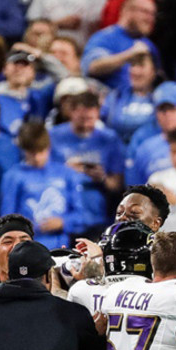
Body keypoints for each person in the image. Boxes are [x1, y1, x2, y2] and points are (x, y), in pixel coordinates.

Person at [51, 90, 125, 239]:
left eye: (90, 119)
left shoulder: (110, 139)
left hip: (95, 216)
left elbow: (117, 185)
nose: (85, 124)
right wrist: (66, 170)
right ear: (71, 112)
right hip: (60, 215)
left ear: (98, 114)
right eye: (81, 119)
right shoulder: (53, 136)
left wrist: (102, 178)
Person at [1, 120, 84, 250]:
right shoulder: (13, 176)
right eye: (32, 153)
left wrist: (63, 222)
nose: (38, 157)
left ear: (49, 148)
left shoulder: (66, 174)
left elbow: (81, 215)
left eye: (42, 151)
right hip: (26, 248)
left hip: (60, 246)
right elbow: (7, 218)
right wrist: (26, 229)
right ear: (23, 150)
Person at [81, 0, 159, 91]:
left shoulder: (148, 44)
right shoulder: (105, 37)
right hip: (108, 100)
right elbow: (92, 67)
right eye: (145, 12)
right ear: (127, 11)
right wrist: (130, 55)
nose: (150, 19)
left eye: (153, 14)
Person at [101, 50, 159, 144]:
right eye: (133, 65)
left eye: (141, 66)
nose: (135, 71)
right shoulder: (116, 96)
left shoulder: (161, 98)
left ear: (154, 71)